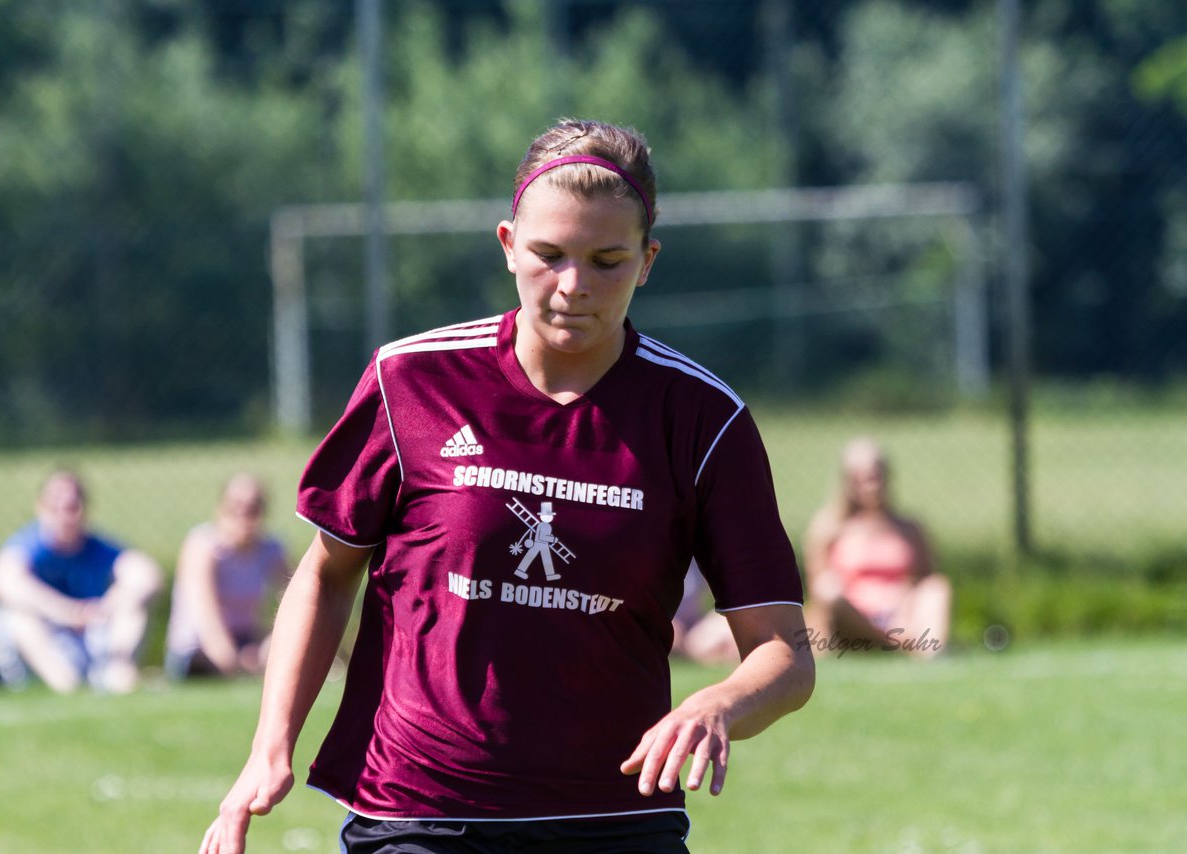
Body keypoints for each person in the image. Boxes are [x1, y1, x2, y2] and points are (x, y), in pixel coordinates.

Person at [200, 119, 814, 854]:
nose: (573, 286)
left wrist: (721, 701)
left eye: (607, 260)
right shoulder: (410, 382)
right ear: (507, 246)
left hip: (614, 818)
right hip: (420, 812)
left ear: (648, 261)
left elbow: (784, 653)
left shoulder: (702, 418)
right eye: (548, 255)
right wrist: (269, 750)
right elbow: (328, 577)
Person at [0, 470, 163, 693]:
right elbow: (1, 579)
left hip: (90, 636)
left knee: (133, 611)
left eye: (72, 507)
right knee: (18, 614)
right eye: (55, 506)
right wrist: (64, 611)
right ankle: (64, 684)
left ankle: (119, 679)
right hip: (45, 639)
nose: (64, 515)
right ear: (40, 507)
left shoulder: (96, 547)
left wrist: (106, 606)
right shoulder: (30, 546)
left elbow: (147, 575)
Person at [802, 437, 951, 659]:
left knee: (937, 588)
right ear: (847, 482)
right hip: (850, 620)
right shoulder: (828, 528)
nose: (872, 484)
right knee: (828, 590)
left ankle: (932, 655)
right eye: (861, 478)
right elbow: (817, 591)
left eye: (876, 475)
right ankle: (894, 642)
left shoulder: (910, 528)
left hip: (901, 615)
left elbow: (925, 579)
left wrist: (905, 603)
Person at [164, 474, 289, 680]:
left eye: (253, 508)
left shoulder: (271, 549)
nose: (244, 515)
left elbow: (293, 599)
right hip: (198, 648)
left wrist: (270, 645)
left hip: (246, 640)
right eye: (236, 506)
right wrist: (232, 662)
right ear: (221, 509)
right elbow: (204, 613)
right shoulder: (203, 545)